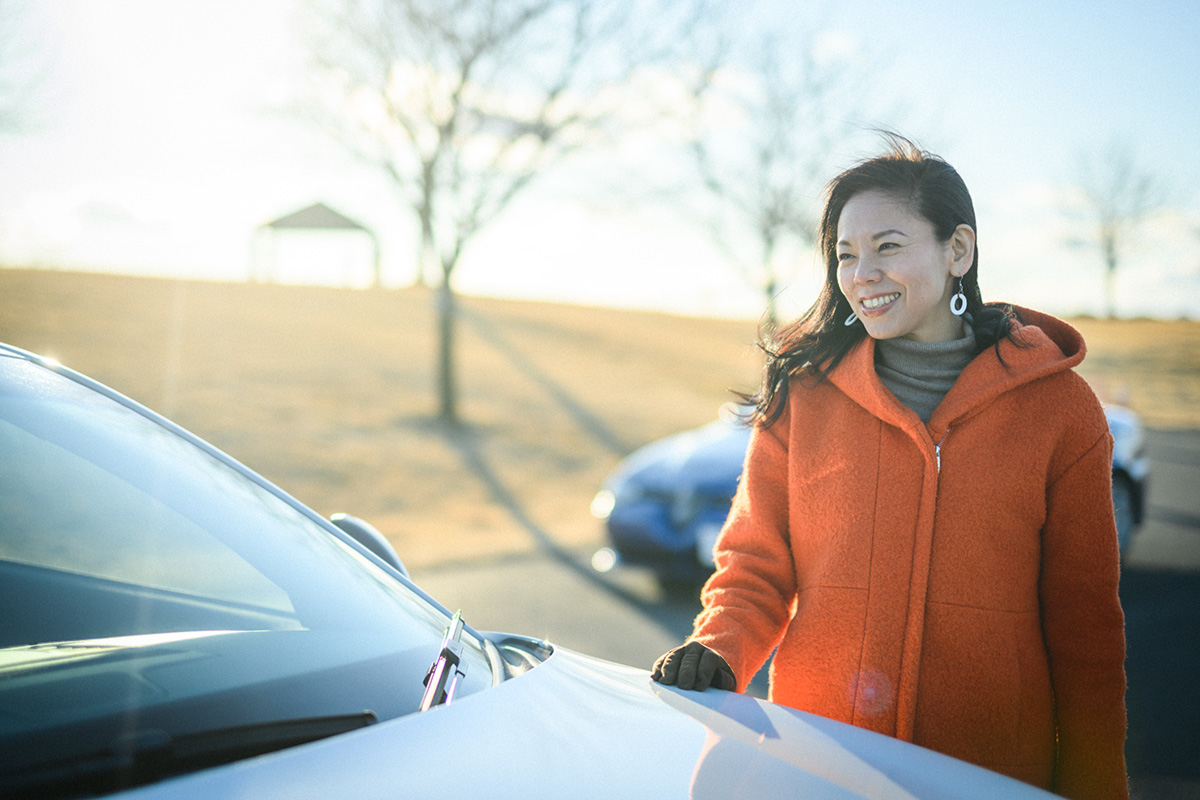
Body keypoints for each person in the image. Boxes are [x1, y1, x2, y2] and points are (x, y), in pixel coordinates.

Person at [652, 135, 1127, 800]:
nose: (861, 273)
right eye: (846, 255)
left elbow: (1085, 633)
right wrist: (719, 647)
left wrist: (1096, 786)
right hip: (818, 764)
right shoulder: (804, 395)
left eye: (888, 247)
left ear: (957, 250)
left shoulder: (1060, 411)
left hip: (986, 774)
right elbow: (755, 567)